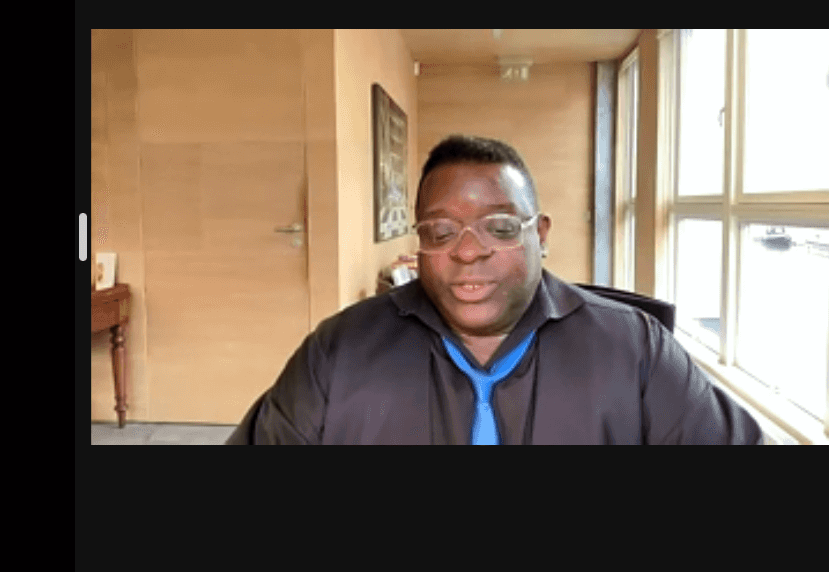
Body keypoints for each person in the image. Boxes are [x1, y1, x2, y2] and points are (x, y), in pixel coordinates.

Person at [230, 134, 766, 444]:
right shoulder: (339, 350)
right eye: (441, 232)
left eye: (501, 228)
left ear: (541, 234)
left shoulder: (634, 350)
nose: (468, 251)